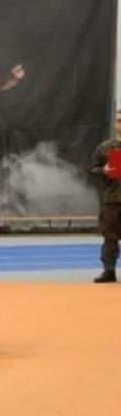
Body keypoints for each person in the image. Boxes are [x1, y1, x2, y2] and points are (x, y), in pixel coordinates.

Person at [89, 107, 121, 284]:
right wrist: (104, 170)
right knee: (110, 236)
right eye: (118, 120)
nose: (120, 124)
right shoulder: (105, 147)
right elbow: (92, 169)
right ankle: (109, 270)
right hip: (111, 199)